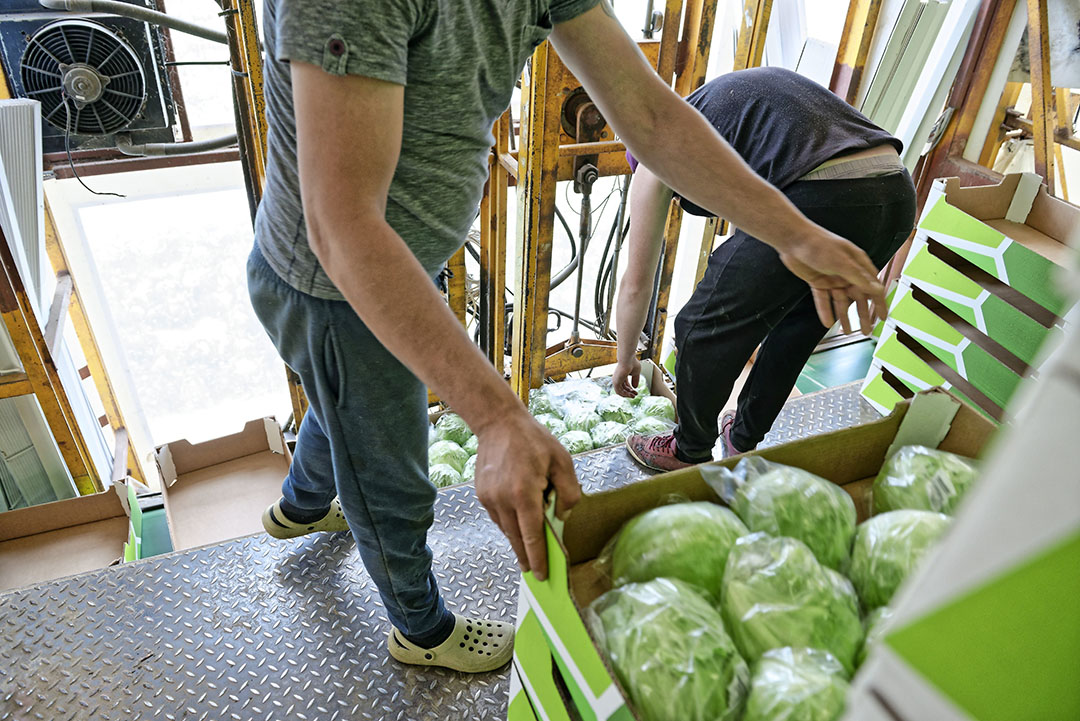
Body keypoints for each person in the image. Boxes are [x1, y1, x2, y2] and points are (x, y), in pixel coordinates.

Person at [247, 0, 889, 674]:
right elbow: (344, 223)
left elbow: (653, 119)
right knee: (389, 478)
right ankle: (419, 627)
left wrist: (795, 232)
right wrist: (495, 416)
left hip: (402, 260)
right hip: (335, 285)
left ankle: (303, 504)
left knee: (347, 404)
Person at [613, 67, 916, 472]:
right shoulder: (717, 112)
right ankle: (742, 438)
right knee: (799, 322)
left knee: (700, 328)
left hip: (823, 194)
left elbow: (636, 283)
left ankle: (687, 451)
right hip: (895, 192)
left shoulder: (653, 152)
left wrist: (625, 356)